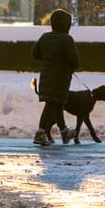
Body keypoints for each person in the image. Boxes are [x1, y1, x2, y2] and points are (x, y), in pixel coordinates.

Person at [32, 8, 78, 146]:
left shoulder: (45, 37)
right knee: (52, 103)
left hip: (46, 77)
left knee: (56, 104)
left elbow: (35, 53)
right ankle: (40, 133)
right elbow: (74, 61)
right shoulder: (67, 39)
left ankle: (64, 132)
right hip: (60, 79)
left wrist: (48, 61)